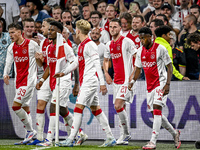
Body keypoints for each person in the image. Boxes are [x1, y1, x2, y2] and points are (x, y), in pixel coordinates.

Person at [56, 19, 116, 147]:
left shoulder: (90, 45)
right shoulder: (82, 45)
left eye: (75, 30)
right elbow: (77, 62)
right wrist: (64, 72)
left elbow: (97, 64)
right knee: (96, 109)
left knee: (78, 108)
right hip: (87, 81)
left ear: (78, 31)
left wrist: (102, 83)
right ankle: (110, 137)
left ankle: (71, 138)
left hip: (90, 81)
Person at [128, 27, 181, 150]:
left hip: (161, 82)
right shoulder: (140, 51)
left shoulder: (160, 49)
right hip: (149, 86)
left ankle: (153, 141)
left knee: (157, 108)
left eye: (144, 37)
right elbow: (138, 69)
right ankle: (174, 133)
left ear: (150, 37)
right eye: (140, 38)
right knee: (155, 113)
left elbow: (170, 67)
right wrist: (132, 81)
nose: (142, 40)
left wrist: (167, 84)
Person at [36, 21, 87, 146]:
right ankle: (80, 133)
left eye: (52, 30)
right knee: (62, 110)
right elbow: (49, 66)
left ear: (59, 32)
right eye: (49, 30)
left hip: (64, 81)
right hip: (54, 81)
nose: (49, 32)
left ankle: (49, 139)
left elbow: (74, 63)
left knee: (53, 106)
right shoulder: (49, 47)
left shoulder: (65, 47)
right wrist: (42, 80)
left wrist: (76, 83)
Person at [4, 23, 41, 145]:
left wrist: (40, 60)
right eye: (9, 33)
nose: (10, 35)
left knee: (15, 106)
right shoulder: (11, 47)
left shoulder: (32, 44)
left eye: (13, 32)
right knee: (25, 106)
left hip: (29, 80)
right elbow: (8, 62)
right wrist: (6, 74)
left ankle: (31, 131)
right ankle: (29, 134)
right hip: (18, 81)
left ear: (20, 32)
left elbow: (41, 59)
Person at [104, 18, 137, 145]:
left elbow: (137, 57)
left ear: (120, 28)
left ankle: (126, 134)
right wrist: (106, 73)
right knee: (121, 108)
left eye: (115, 27)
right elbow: (106, 60)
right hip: (116, 81)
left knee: (117, 106)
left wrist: (133, 75)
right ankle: (123, 136)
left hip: (126, 81)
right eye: (110, 27)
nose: (112, 29)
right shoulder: (108, 44)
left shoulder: (127, 41)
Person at [27, 17, 54, 145]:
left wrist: (42, 79)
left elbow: (53, 64)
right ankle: (40, 136)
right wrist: (38, 58)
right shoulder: (42, 43)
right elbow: (41, 64)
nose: (40, 29)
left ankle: (78, 132)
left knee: (62, 109)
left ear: (50, 28)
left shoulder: (58, 42)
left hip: (55, 78)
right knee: (40, 106)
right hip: (45, 77)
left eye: (43, 26)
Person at [179, 14, 200, 80]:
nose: (183, 24)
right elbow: (181, 53)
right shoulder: (183, 36)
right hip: (188, 70)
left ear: (191, 22)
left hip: (198, 68)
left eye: (184, 21)